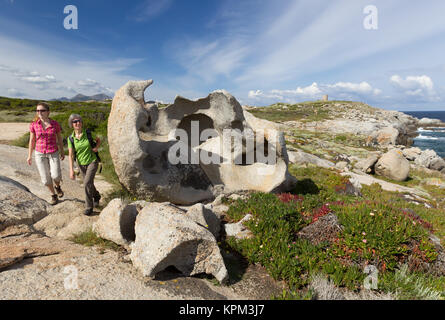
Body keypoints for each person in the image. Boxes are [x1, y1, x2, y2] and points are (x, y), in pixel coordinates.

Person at [27, 102, 65, 205]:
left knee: (56, 176)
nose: (39, 112)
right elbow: (32, 140)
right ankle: (53, 195)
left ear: (48, 112)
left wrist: (62, 151)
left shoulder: (55, 124)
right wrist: (29, 155)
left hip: (53, 152)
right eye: (38, 110)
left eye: (42, 110)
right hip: (39, 153)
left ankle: (57, 187)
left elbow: (60, 139)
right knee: (45, 180)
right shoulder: (34, 125)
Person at [67, 114, 101, 215]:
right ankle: (97, 195)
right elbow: (71, 155)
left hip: (92, 161)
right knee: (89, 183)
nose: (77, 123)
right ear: (72, 124)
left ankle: (89, 207)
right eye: (75, 122)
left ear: (81, 123)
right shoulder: (71, 138)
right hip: (81, 164)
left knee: (86, 183)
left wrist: (96, 147)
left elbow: (98, 140)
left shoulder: (88, 133)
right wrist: (71, 170)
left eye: (79, 121)